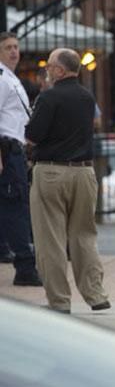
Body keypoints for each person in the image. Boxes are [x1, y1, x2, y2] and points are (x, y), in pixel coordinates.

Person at [25, 48, 110, 314]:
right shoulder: (87, 97)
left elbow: (33, 135)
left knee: (50, 239)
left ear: (60, 70)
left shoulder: (48, 97)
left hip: (51, 171)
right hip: (84, 172)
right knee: (84, 235)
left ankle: (60, 301)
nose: (47, 70)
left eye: (50, 66)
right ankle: (95, 294)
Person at [0, 31, 42, 286]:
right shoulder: (2, 79)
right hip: (6, 150)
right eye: (7, 47)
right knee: (16, 208)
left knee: (12, 206)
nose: (14, 51)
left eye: (16, 46)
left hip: (15, 149)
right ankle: (25, 267)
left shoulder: (11, 78)